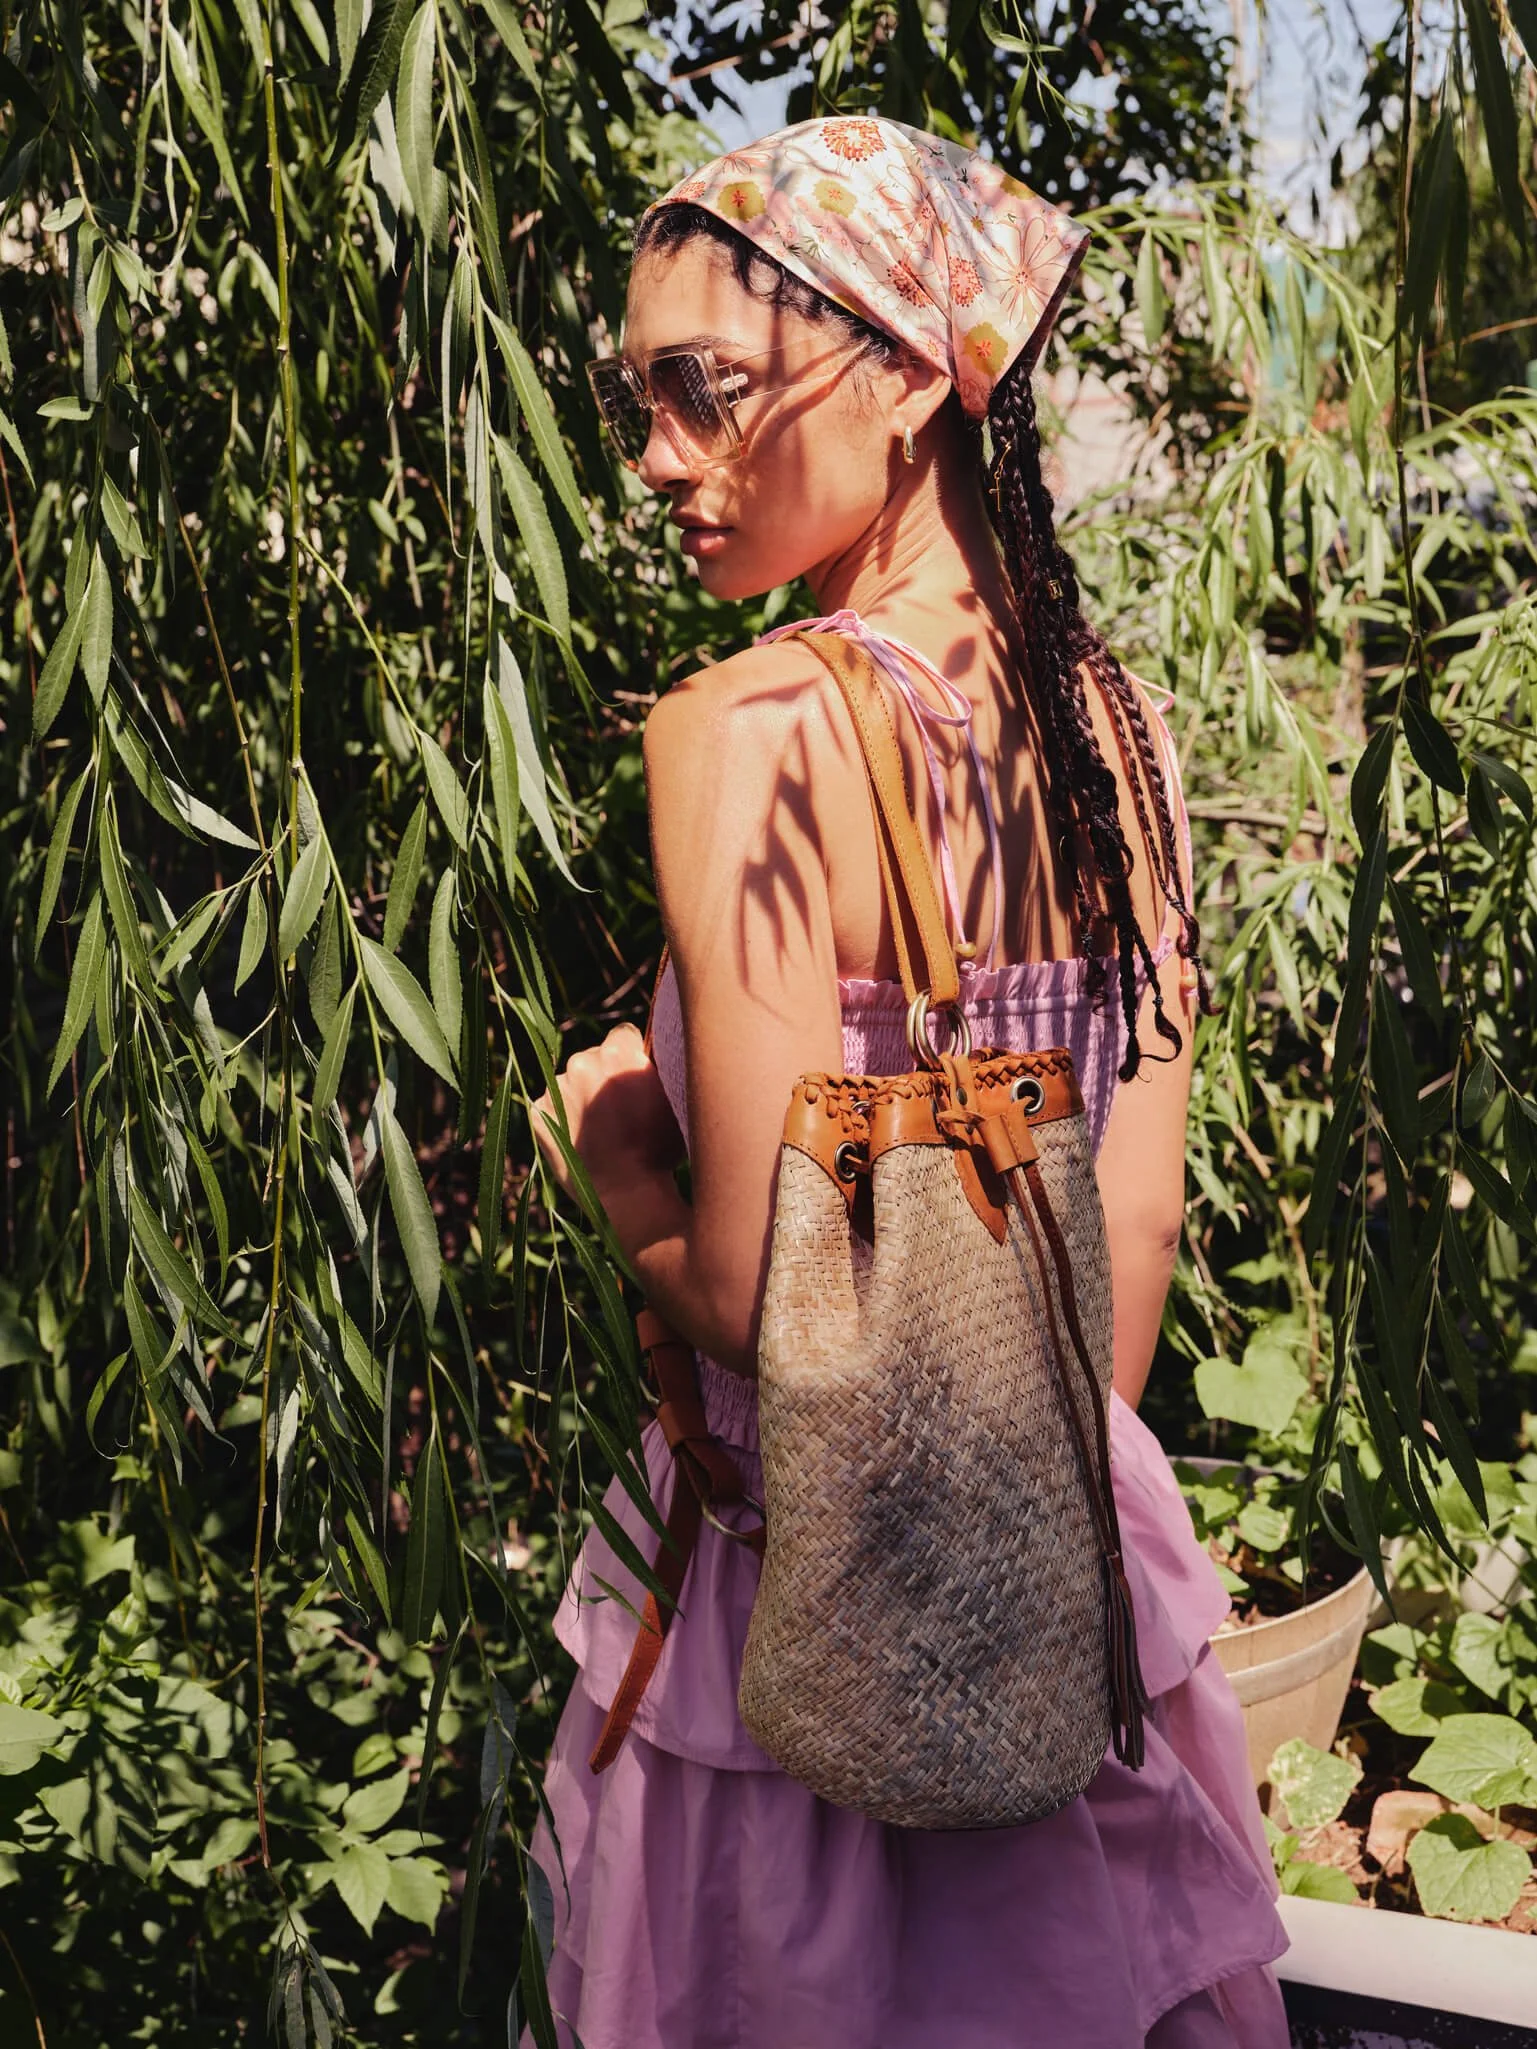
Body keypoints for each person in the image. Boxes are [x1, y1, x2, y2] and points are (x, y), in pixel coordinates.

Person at [528, 116, 1290, 2049]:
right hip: (1062, 1597)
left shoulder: (753, 732)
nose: (656, 461)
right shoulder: (1115, 726)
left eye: (703, 391)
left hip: (795, 1637)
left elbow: (758, 1290)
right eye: (634, 403)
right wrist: (998, 1505)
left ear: (902, 375)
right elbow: (1130, 1235)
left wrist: (620, 1166)